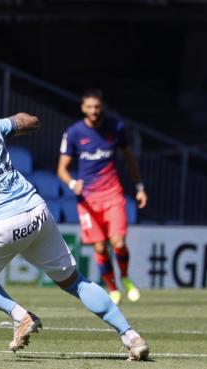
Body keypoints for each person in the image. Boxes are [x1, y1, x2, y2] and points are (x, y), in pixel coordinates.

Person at [0, 85, 149, 361]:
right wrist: (5, 126)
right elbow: (30, 121)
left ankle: (20, 315)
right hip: (37, 212)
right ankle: (131, 336)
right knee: (76, 282)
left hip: (2, 222)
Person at [57, 89, 148, 305]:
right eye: (89, 107)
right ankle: (113, 287)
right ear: (83, 108)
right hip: (87, 199)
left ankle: (125, 277)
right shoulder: (74, 133)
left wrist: (140, 187)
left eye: (97, 107)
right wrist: (72, 183)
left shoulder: (116, 128)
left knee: (118, 243)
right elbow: (61, 169)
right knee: (99, 247)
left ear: (102, 107)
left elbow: (129, 160)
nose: (94, 111)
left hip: (112, 194)